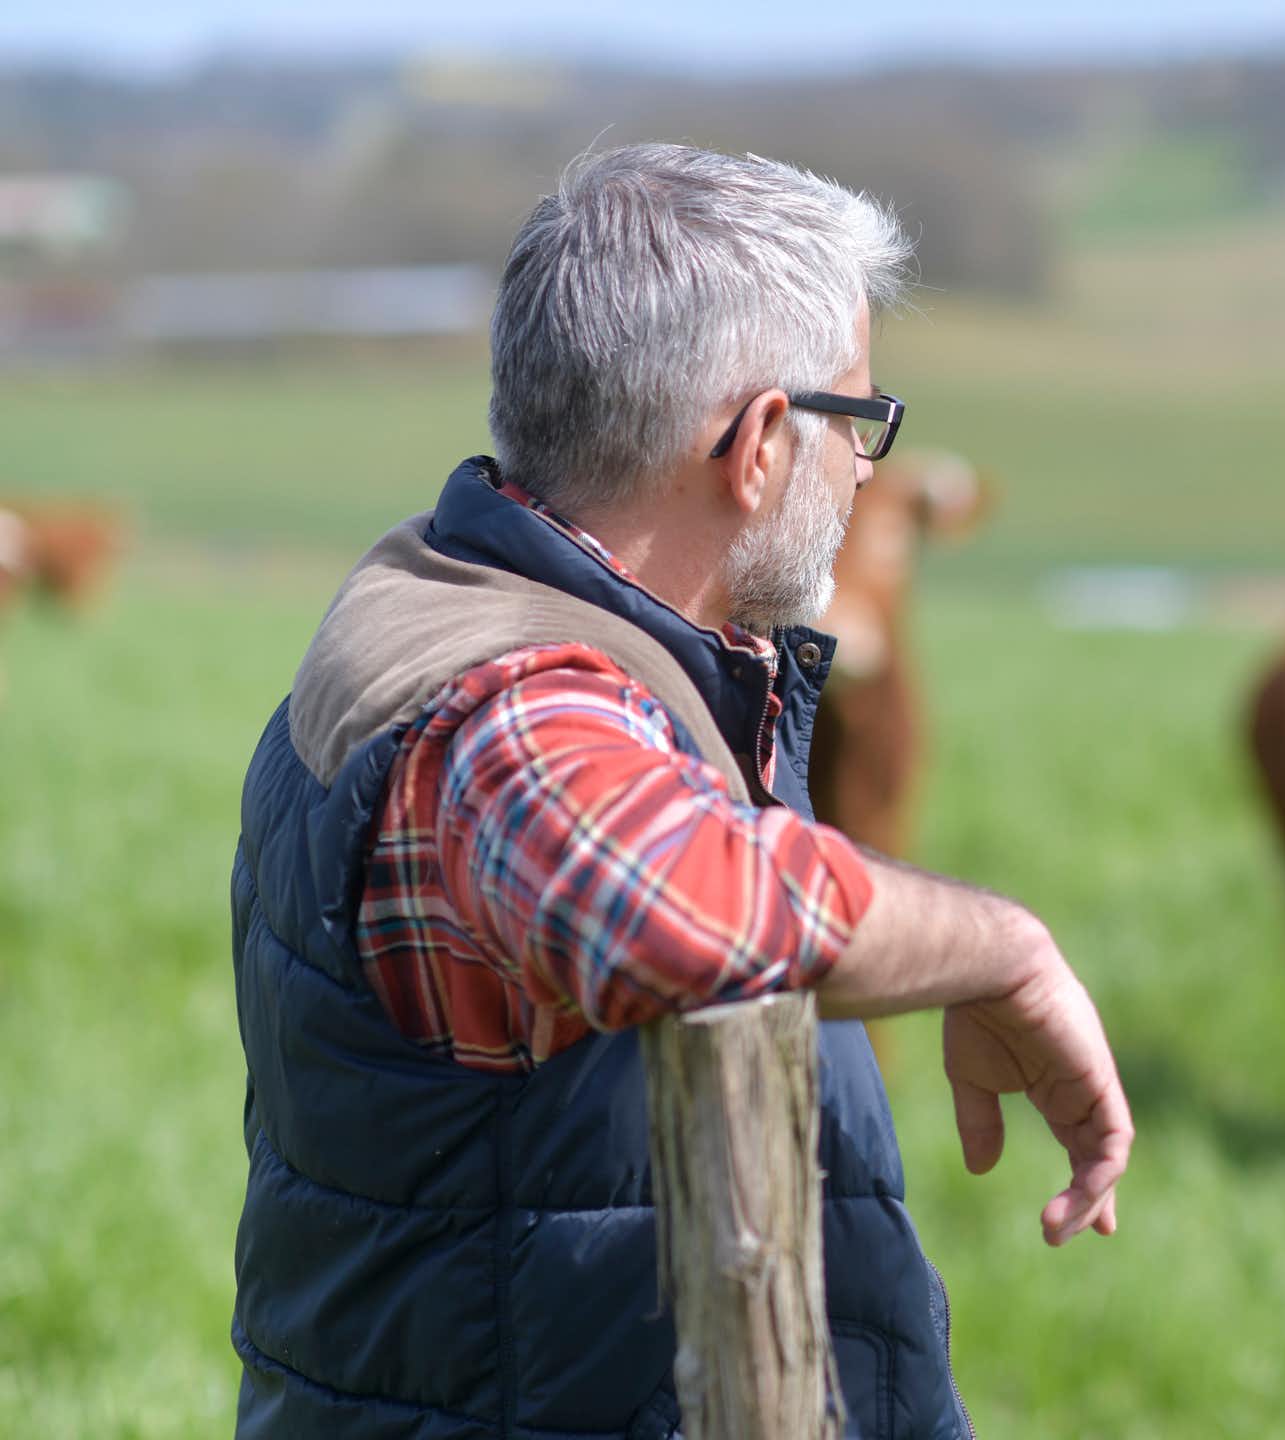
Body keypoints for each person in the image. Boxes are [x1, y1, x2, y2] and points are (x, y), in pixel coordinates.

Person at [227, 143, 1131, 1439]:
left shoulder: (540, 631)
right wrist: (1005, 952)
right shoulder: (508, 699)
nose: (868, 470)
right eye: (860, 421)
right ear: (762, 442)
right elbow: (681, 904)